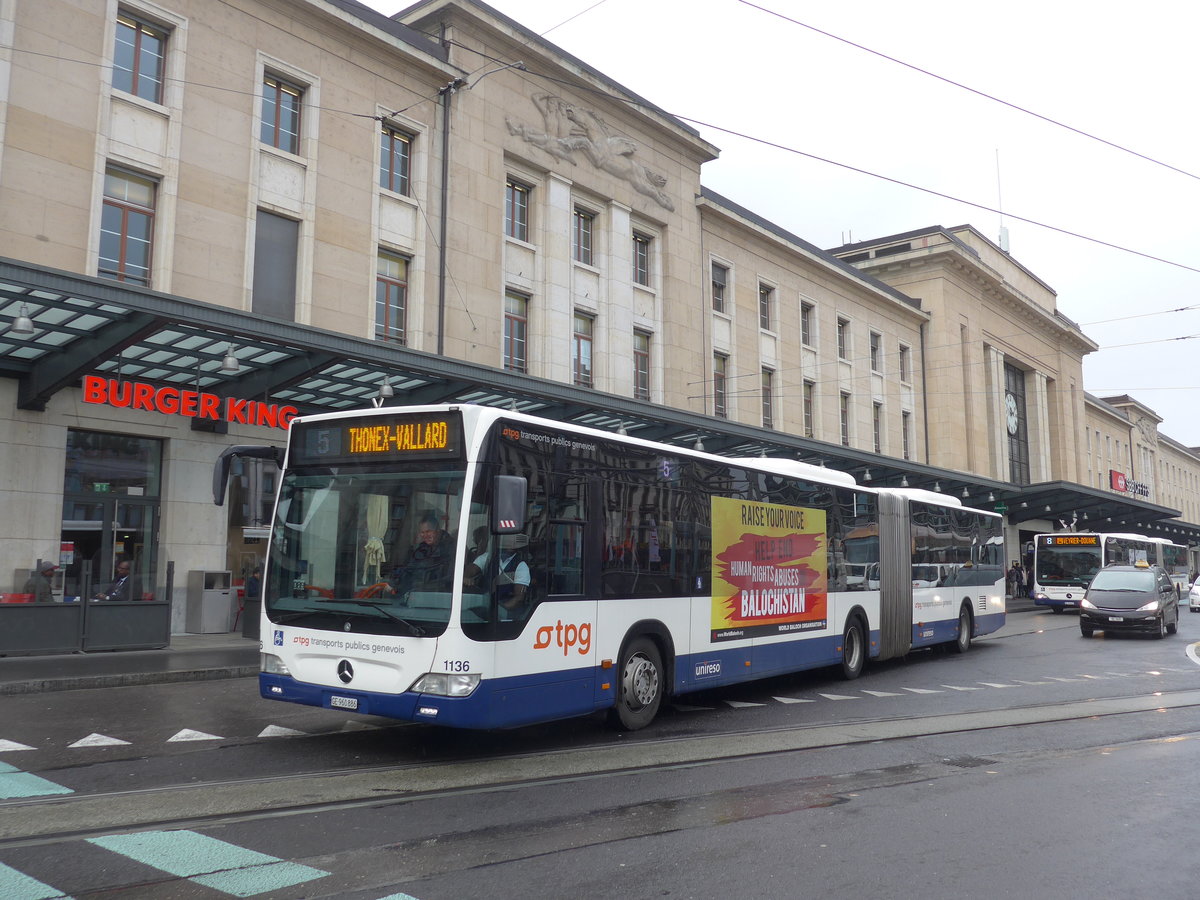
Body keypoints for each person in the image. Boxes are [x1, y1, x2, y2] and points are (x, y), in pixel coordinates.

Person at [393, 511, 453, 593]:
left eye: (428, 531)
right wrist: (396, 581)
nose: (425, 535)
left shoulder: (451, 547)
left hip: (439, 594)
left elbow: (449, 577)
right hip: (415, 592)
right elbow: (409, 569)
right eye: (422, 532)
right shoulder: (421, 549)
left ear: (437, 530)